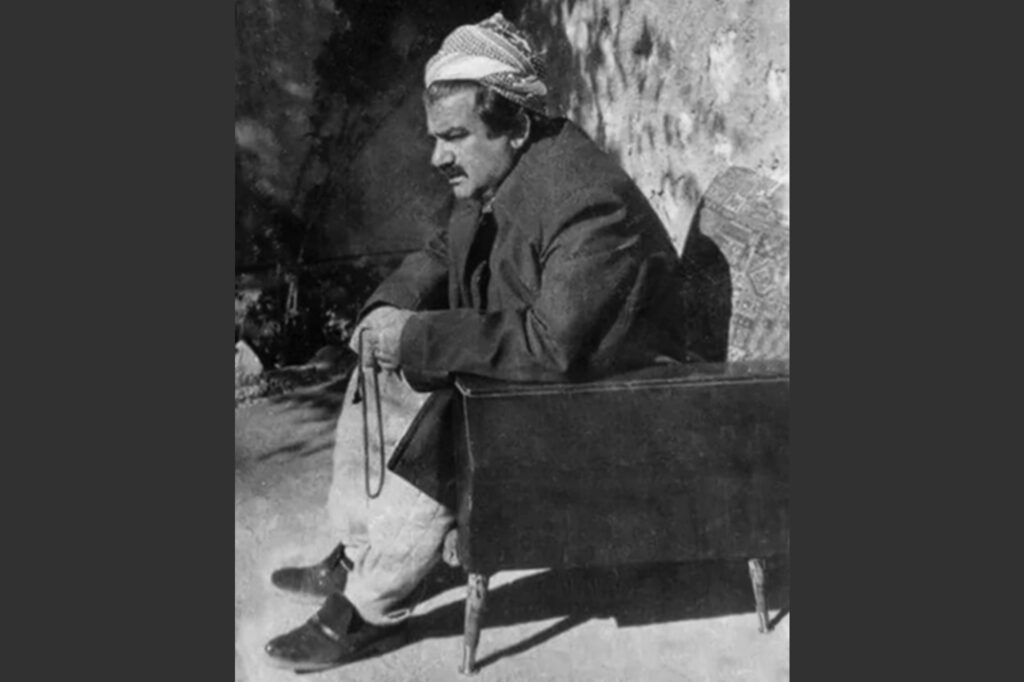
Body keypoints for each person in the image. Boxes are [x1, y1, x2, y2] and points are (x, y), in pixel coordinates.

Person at [263, 12, 693, 671]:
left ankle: (371, 607)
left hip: (615, 405)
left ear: (515, 125)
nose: (438, 157)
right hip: (556, 371)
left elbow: (554, 346)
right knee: (380, 360)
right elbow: (445, 249)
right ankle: (359, 550)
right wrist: (391, 309)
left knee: (451, 407)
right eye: (437, 138)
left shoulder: (587, 203)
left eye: (454, 137)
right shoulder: (505, 166)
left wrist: (420, 337)